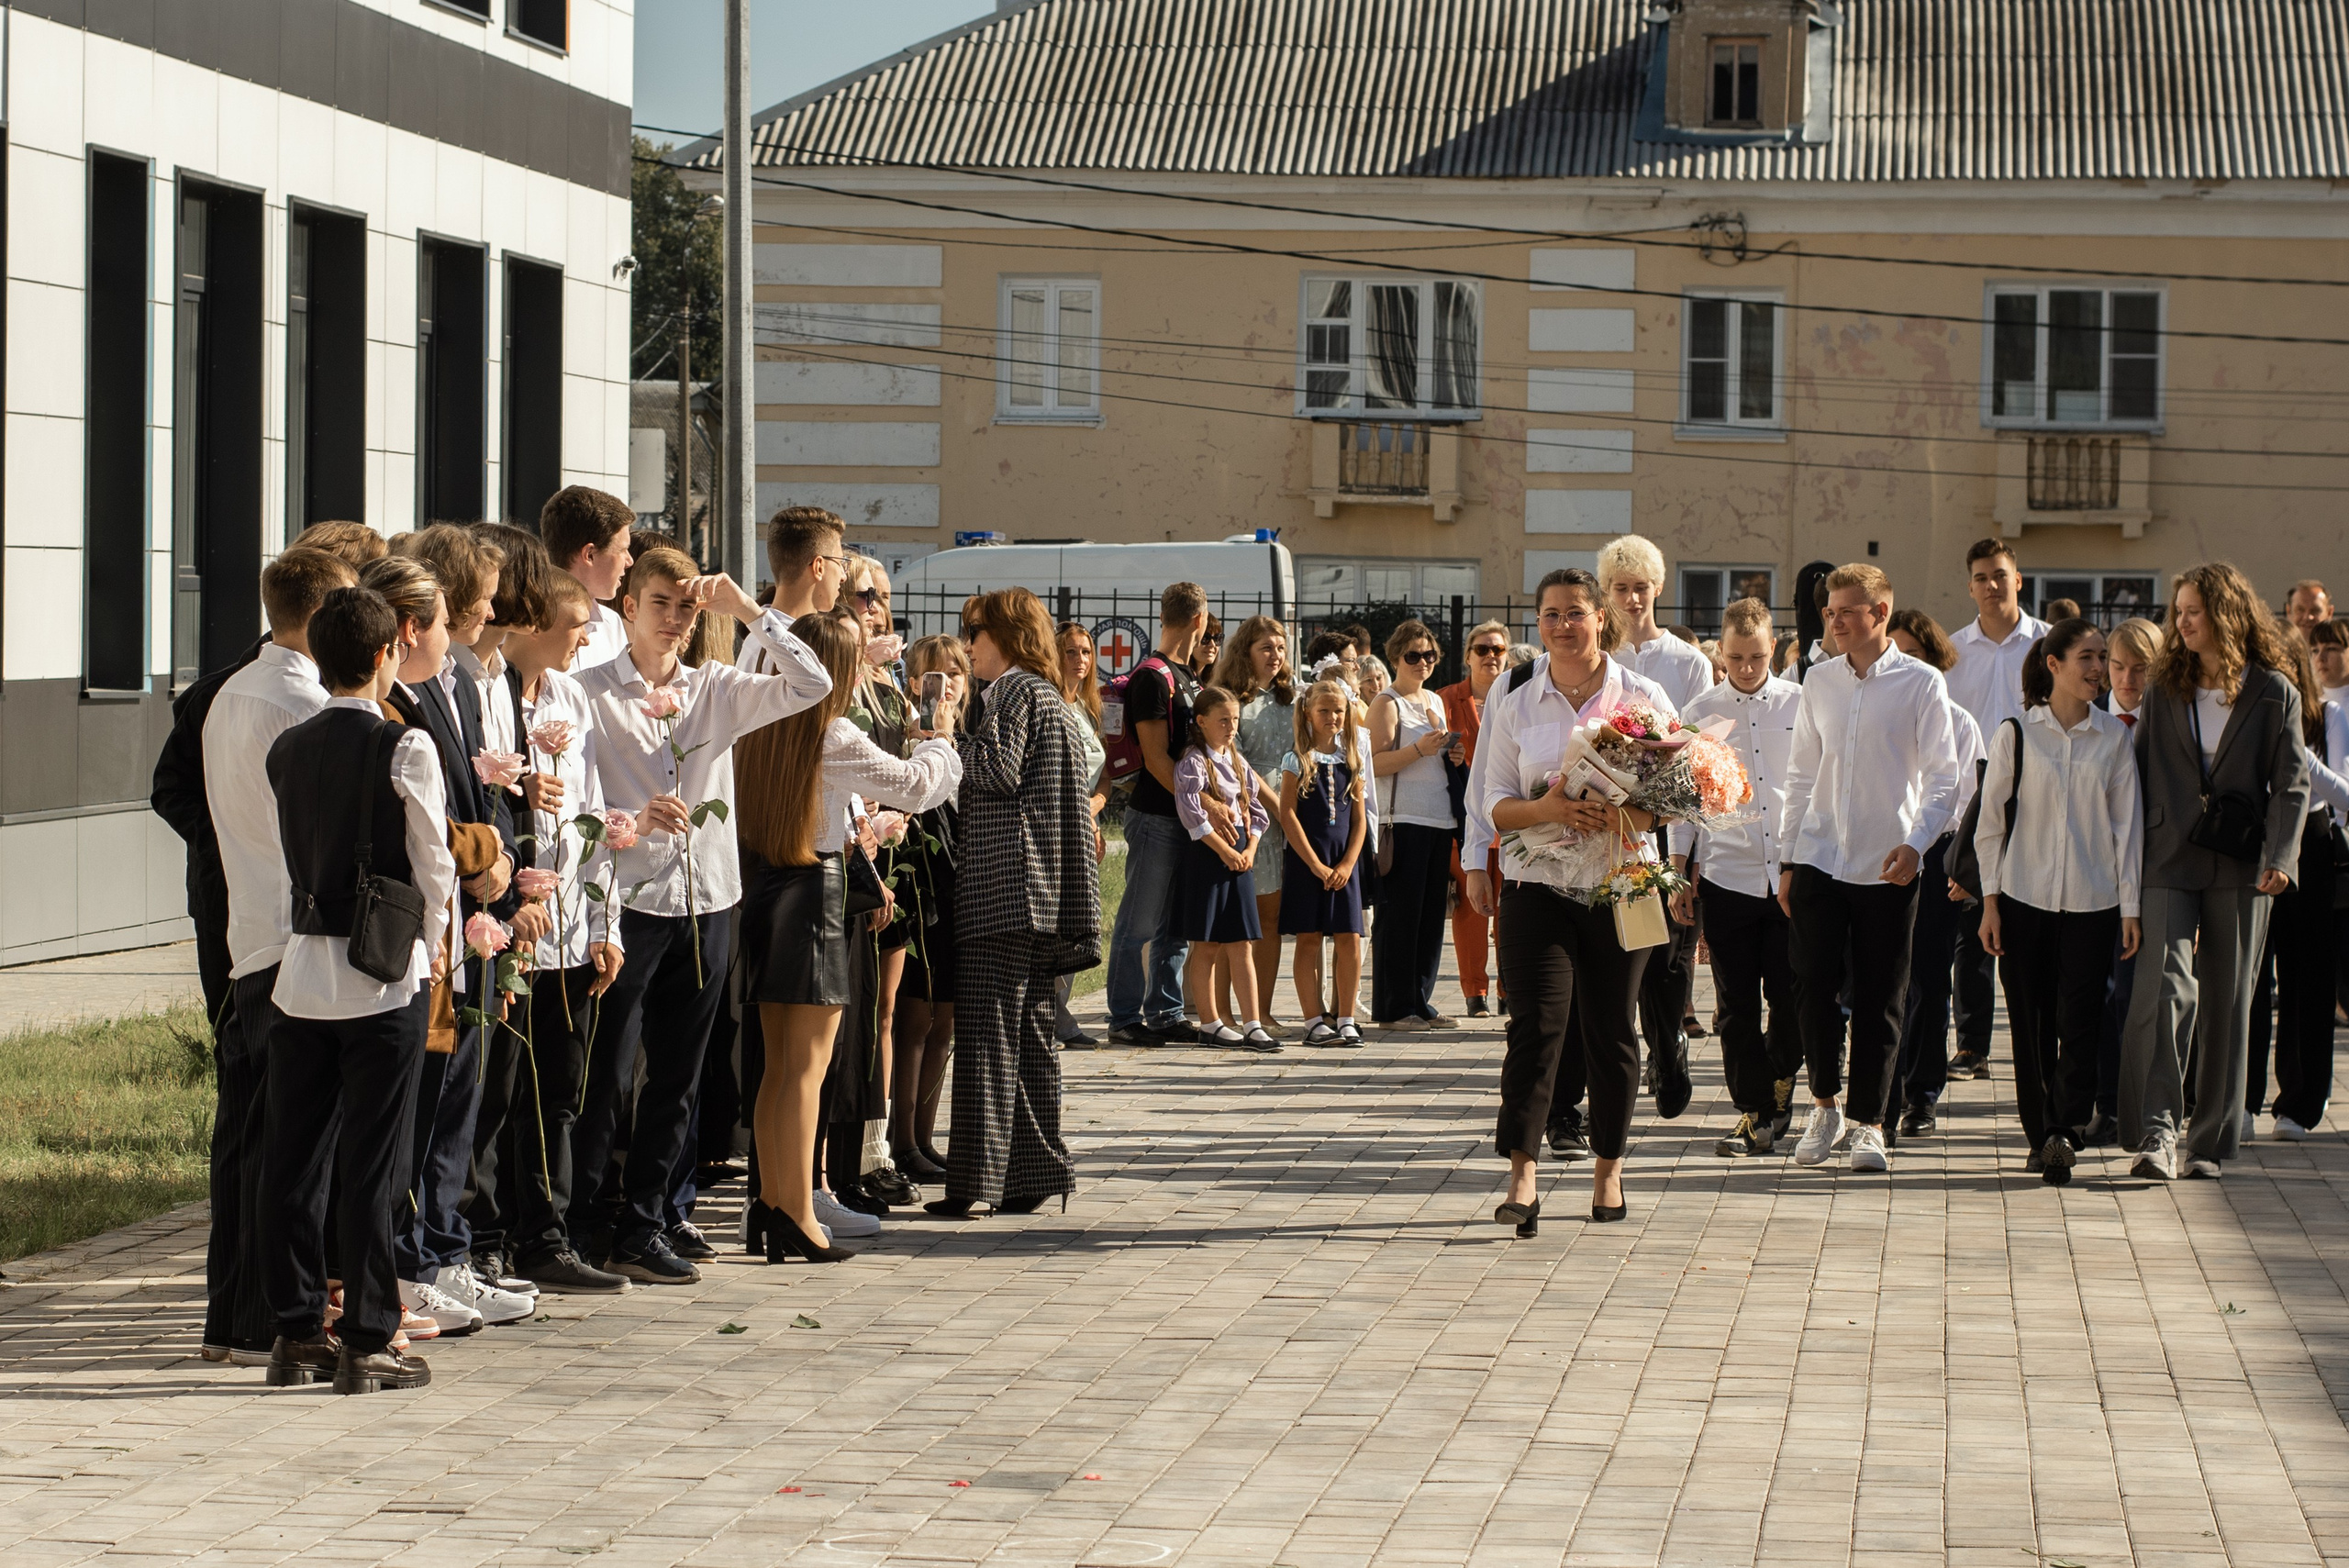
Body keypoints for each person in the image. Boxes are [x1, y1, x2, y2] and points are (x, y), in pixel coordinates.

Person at [573, 544, 835, 1280]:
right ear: (628, 607)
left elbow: (810, 682)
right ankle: (585, 1219)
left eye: (687, 607)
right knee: (609, 1069)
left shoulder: (715, 686)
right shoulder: (590, 691)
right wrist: (634, 816)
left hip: (706, 899)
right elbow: (579, 804)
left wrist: (750, 612)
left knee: (680, 1074)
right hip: (626, 901)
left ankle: (647, 1221)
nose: (675, 620)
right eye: (660, 603)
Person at [259, 584, 455, 1394]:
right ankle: (370, 1336)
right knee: (374, 1164)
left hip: (302, 973)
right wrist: (439, 951)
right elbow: (434, 863)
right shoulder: (404, 746)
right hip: (381, 977)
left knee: (294, 1161)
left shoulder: (288, 747)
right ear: (386, 654)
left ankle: (297, 1327)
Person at [736, 606, 958, 1257]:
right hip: (813, 895)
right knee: (807, 1069)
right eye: (855, 658)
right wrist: (939, 737)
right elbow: (916, 788)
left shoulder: (763, 725)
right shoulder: (831, 732)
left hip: (767, 892)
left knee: (779, 1069)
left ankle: (774, 1205)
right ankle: (797, 1211)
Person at [1471, 566, 1676, 1231]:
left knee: (1612, 1029)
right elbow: (1492, 801)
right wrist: (1548, 808)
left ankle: (1608, 1172)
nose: (1564, 624)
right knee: (1534, 1027)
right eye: (1552, 613)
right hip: (1538, 887)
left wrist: (1624, 815)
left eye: (1576, 612)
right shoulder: (1514, 690)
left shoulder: (1643, 696)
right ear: (1540, 621)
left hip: (1621, 887)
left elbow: (1672, 802)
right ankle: (1522, 1178)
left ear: (1600, 619)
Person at [195, 548, 357, 1366]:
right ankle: (271, 1315)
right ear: (328, 612)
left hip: (252, 934)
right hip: (295, 940)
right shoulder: (299, 703)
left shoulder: (233, 691)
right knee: (291, 1147)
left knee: (255, 1140)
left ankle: (236, 1314)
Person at [379, 527, 538, 1330]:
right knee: (429, 1105)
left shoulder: (451, 684)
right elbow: (431, 817)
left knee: (460, 1099)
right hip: (434, 921)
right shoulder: (394, 701)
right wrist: (481, 854)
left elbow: (476, 792)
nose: (477, 617)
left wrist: (502, 853)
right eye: (455, 610)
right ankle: (417, 1259)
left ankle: (445, 1248)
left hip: (472, 913)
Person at [151, 521, 388, 1023]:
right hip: (266, 913)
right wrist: (237, 846)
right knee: (263, 1066)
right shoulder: (274, 696)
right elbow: (173, 789)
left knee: (252, 1072)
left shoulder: (257, 686)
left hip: (271, 917)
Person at [2121, 563, 2310, 1180]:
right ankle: (2157, 1129)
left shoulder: (2273, 691)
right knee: (2166, 989)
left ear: (2227, 613)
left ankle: (2208, 1142)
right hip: (2167, 856)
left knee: (2229, 1000)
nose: (2182, 622)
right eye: (2178, 612)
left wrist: (2281, 857)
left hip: (2242, 862)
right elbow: (2139, 765)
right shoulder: (2164, 686)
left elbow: (2292, 783)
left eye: (2193, 611)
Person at [474, 571, 630, 1294]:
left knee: (560, 1089)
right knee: (498, 1093)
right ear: (534, 623)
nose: (586, 637)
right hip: (510, 930)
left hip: (567, 927)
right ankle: (486, 1237)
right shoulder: (495, 693)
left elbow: (593, 816)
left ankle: (548, 1234)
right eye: (575, 623)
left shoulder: (570, 697)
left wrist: (606, 921)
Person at [1780, 564, 1963, 1175]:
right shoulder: (1820, 681)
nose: (1832, 620)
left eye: (1844, 611)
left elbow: (1944, 775)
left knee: (1884, 995)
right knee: (1811, 988)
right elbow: (1802, 772)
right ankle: (1825, 1105)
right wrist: (1786, 857)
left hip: (1890, 864)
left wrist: (1916, 844)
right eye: (1829, 610)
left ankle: (1870, 1123)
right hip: (1819, 856)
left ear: (1879, 613)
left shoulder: (1921, 684)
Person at [932, 587, 1101, 1217]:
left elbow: (997, 770)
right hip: (1034, 895)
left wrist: (945, 737)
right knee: (1029, 1038)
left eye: (975, 631)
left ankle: (974, 1185)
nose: (968, 643)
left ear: (1006, 635)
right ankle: (1032, 1173)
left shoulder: (1015, 692)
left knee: (986, 1038)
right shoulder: (1045, 695)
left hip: (1003, 893)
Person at [1975, 619, 2143, 1184]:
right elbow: (1990, 827)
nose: (2098, 668)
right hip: (2023, 900)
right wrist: (1991, 904)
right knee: (2029, 1022)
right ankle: (2039, 1131)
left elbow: (2127, 830)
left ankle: (2065, 1131)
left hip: (2093, 905)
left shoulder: (2114, 739)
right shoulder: (2016, 734)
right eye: (2088, 658)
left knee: (2081, 1020)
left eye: (2103, 658)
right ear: (2055, 664)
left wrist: (2129, 908)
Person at [1667, 598, 1800, 1158]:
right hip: (1727, 874)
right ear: (1720, 652)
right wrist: (1677, 870)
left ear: (1773, 650)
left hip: (1792, 876)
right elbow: (1682, 797)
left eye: (1758, 656)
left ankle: (1782, 1080)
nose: (1747, 667)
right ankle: (1753, 1112)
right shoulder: (1701, 709)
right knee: (1735, 1004)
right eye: (1737, 657)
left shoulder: (1801, 703)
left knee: (1792, 998)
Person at [1598, 536, 1713, 1116]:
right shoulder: (1599, 654)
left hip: (1667, 830)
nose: (1631, 598)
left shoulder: (1685, 661)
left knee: (1668, 957)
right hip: (1608, 829)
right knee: (1624, 950)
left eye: (1640, 587)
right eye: (1620, 589)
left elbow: (1693, 755)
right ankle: (1632, 1056)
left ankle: (1669, 1049)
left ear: (1658, 589)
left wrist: (1684, 854)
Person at [1943, 539, 2050, 1078]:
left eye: (2000, 575)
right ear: (1970, 586)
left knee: (2029, 906)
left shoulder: (2048, 645)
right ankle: (1972, 1044)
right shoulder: (1955, 652)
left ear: (2018, 579)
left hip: (2041, 788)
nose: (1991, 585)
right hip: (1976, 791)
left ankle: (2040, 1035)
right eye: (1981, 577)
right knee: (1973, 912)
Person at [1884, 608, 1985, 1141]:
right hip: (1881, 864)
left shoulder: (1959, 721)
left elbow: (1969, 803)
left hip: (1937, 864)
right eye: (1895, 654)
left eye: (1915, 655)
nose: (1905, 666)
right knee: (1884, 983)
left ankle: (1921, 1094)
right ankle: (1882, 1088)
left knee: (1927, 981)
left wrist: (1959, 866)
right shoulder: (1878, 714)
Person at [1105, 584, 1210, 1045]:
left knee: (1174, 926)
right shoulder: (1154, 676)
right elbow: (1154, 758)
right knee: (1139, 922)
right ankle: (1125, 1017)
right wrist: (1202, 806)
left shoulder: (1189, 674)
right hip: (1157, 817)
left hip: (1183, 817)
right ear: (1199, 621)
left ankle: (1165, 1012)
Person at [2251, 631, 2346, 1141]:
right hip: (2253, 836)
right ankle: (2241, 1099)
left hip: (2309, 840)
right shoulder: (2242, 708)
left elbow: (2337, 785)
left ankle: (2299, 1104)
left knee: (2307, 978)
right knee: (2247, 976)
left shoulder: (2329, 718)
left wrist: (2298, 759)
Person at [893, 636, 973, 1159]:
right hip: (921, 887)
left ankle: (925, 1137)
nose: (945, 687)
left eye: (955, 675)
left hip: (961, 888)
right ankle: (901, 1141)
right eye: (932, 676)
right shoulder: (909, 744)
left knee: (946, 1019)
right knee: (915, 1019)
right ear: (913, 683)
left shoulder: (970, 744)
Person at [2088, 616, 2163, 1145]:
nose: (2128, 680)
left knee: (2141, 999)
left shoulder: (2170, 726)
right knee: (2097, 998)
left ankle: (2144, 1105)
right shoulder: (2088, 720)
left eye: (2141, 669)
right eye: (2117, 666)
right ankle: (2105, 1105)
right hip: (2092, 882)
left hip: (2154, 882)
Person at [1174, 684, 1277, 1050]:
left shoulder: (1236, 759)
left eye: (1234, 719)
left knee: (1242, 942)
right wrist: (1224, 851)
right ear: (1201, 722)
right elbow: (1192, 815)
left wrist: (1250, 847)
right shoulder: (1193, 761)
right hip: (1208, 857)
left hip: (1239, 858)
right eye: (1222, 720)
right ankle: (1210, 1022)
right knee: (1207, 944)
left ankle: (1253, 1023)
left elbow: (1258, 812)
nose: (1230, 727)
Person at [1368, 620, 1456, 1032]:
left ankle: (1420, 1000)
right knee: (1400, 915)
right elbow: (1375, 764)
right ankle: (1391, 1006)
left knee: (1429, 915)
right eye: (1413, 656)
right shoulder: (1387, 702)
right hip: (1402, 819)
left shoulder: (1435, 701)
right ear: (1396, 657)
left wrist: (1448, 755)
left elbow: (1433, 757)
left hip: (1438, 817)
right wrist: (1419, 749)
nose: (1422, 663)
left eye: (1430, 656)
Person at [1214, 616, 1296, 1036]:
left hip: (1292, 812)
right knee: (1243, 919)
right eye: (1266, 648)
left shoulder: (1291, 697)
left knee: (1273, 918)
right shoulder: (1234, 699)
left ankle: (1263, 1010)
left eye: (1280, 648)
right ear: (1245, 650)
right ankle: (1227, 1013)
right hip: (1254, 812)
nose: (1275, 656)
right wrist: (1276, 805)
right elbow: (1237, 761)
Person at [1278, 677, 1368, 1048]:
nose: (1332, 717)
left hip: (1343, 863)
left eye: (1339, 711)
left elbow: (1360, 818)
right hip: (1307, 861)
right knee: (1309, 938)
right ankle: (1313, 1020)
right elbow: (1287, 813)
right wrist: (1315, 865)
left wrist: (1348, 863)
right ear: (1307, 713)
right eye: (1324, 711)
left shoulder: (1352, 758)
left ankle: (1345, 1017)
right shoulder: (1296, 760)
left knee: (1349, 937)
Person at [1439, 620, 1511, 1018]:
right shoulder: (1446, 699)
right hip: (1464, 823)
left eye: (1497, 650)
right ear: (1467, 656)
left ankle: (1508, 990)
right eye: (1481, 649)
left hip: (1510, 821)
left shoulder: (1516, 695)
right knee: (1471, 912)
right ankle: (1474, 992)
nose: (1490, 656)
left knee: (1509, 912)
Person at [1051, 623, 1110, 1049]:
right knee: (1056, 921)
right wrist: (1080, 816)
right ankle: (1051, 1014)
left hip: (1086, 821)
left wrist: (1095, 809)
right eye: (1070, 652)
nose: (1080, 660)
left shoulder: (1088, 709)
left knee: (1079, 921)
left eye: (1086, 652)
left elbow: (1105, 771)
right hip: (1057, 828)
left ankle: (1059, 1008)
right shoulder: (1050, 704)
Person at [540, 486, 636, 673]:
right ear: (589, 554)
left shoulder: (612, 624)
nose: (629, 561)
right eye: (622, 550)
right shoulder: (529, 625)